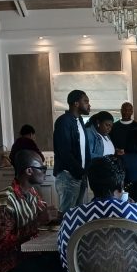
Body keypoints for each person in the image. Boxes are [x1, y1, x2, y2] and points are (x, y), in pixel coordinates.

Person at [53, 89, 91, 217]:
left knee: (77, 216)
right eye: (86, 101)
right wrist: (79, 172)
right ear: (76, 103)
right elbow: (64, 152)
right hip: (68, 175)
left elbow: (84, 150)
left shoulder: (80, 121)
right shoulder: (63, 121)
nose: (89, 105)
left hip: (80, 175)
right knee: (66, 215)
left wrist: (85, 172)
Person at [110, 102, 137, 183]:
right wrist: (115, 150)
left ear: (132, 112)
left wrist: (127, 151)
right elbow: (109, 143)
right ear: (121, 111)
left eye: (129, 110)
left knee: (133, 185)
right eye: (124, 110)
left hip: (134, 162)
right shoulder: (114, 127)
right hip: (117, 161)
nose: (126, 112)